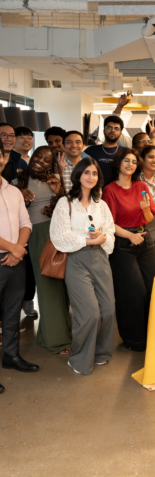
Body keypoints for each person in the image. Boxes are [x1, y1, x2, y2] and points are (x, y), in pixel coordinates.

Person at [49, 158, 116, 375]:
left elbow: (110, 230)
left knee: (107, 310)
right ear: (78, 175)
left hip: (100, 258)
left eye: (94, 173)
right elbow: (60, 235)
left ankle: (100, 353)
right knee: (89, 314)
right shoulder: (65, 203)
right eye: (86, 172)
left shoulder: (101, 204)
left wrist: (102, 236)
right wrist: (88, 240)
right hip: (76, 260)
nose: (90, 177)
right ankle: (78, 359)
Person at [13, 146, 72, 355]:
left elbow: (69, 206)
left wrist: (61, 191)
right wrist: (19, 193)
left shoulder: (54, 180)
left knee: (61, 285)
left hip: (59, 234)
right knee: (48, 286)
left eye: (46, 159)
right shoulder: (15, 184)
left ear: (51, 165)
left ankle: (49, 336)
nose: (40, 160)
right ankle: (57, 341)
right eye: (38, 155)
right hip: (37, 235)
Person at [102, 148, 155, 352]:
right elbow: (109, 224)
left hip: (145, 240)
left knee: (151, 289)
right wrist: (129, 235)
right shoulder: (109, 190)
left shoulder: (141, 185)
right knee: (134, 293)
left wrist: (145, 211)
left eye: (134, 161)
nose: (130, 164)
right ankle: (134, 340)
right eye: (126, 160)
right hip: (123, 243)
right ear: (118, 163)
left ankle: (152, 334)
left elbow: (150, 217)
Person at [0, 139, 39, 392]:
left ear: (4, 159)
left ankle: (11, 356)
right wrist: (12, 247)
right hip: (6, 255)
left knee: (13, 313)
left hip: (16, 260)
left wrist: (19, 248)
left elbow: (26, 222)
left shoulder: (12, 191)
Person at [83, 115, 126, 187]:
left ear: (120, 133)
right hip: (94, 193)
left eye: (116, 128)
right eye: (109, 127)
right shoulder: (90, 151)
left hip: (118, 194)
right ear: (104, 130)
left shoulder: (125, 152)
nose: (112, 130)